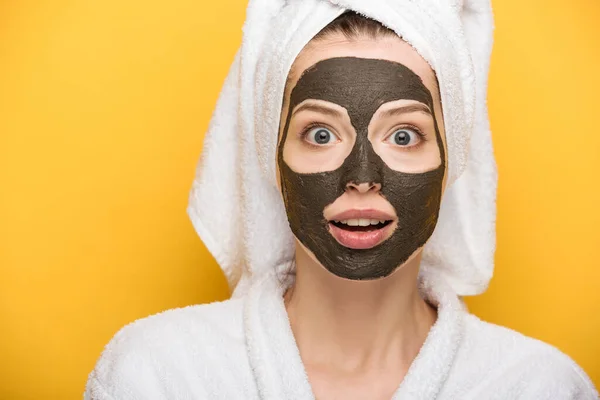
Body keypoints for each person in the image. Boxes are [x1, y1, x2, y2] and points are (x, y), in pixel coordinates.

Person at [85, 1, 598, 399]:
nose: (362, 179)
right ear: (273, 157)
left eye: (404, 135)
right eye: (320, 134)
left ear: (452, 158)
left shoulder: (540, 386)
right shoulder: (157, 375)